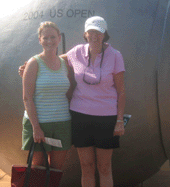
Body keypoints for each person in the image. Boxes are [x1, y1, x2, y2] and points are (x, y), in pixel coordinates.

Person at [20, 16, 126, 186]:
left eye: (98, 32)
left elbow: (121, 92)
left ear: (104, 33)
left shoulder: (115, 56)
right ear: (85, 34)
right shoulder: (77, 52)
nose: (94, 36)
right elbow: (53, 58)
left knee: (104, 167)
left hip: (106, 118)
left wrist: (119, 120)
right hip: (80, 117)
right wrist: (30, 67)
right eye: (90, 32)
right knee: (86, 166)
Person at [22, 21, 73, 170]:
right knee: (38, 169)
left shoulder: (64, 64)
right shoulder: (33, 63)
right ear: (40, 40)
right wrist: (36, 127)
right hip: (39, 123)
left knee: (56, 170)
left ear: (59, 38)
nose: (49, 41)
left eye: (53, 37)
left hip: (62, 123)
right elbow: (27, 98)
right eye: (45, 38)